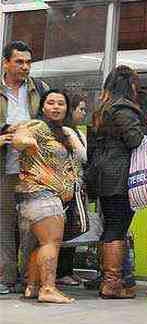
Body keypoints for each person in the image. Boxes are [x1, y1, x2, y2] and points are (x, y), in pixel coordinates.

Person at [11, 89, 85, 303]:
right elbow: (20, 137)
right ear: (43, 106)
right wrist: (25, 142)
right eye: (51, 102)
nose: (55, 107)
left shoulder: (61, 132)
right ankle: (48, 288)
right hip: (42, 193)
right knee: (51, 241)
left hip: (39, 196)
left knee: (40, 243)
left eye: (60, 103)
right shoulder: (39, 126)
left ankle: (33, 286)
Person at [90, 66, 145, 299]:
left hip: (103, 173)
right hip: (119, 174)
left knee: (111, 225)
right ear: (129, 85)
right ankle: (112, 284)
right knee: (118, 226)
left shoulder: (102, 109)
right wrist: (144, 129)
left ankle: (108, 280)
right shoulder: (124, 108)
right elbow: (134, 139)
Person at [0, 40, 48, 295]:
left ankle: (29, 277)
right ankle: (6, 277)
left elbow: (51, 123)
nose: (25, 67)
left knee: (31, 226)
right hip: (4, 169)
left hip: (33, 170)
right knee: (4, 225)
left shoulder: (40, 89)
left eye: (28, 62)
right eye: (19, 61)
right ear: (5, 63)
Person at [55, 92, 87, 287]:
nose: (83, 113)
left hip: (78, 186)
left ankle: (69, 269)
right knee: (67, 228)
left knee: (75, 228)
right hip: (67, 186)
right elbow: (83, 155)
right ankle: (61, 271)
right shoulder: (67, 130)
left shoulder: (78, 131)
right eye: (80, 109)